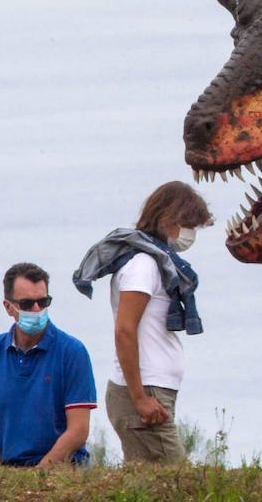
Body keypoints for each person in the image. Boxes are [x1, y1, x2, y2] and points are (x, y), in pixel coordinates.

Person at [74, 182, 210, 463]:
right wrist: (139, 398)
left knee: (150, 488)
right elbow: (125, 330)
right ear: (169, 219)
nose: (190, 235)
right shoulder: (144, 266)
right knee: (178, 484)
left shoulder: (154, 263)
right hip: (145, 391)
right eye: (188, 225)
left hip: (152, 389)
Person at [0, 263, 96, 467]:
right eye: (27, 304)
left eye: (43, 302)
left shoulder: (72, 352)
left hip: (63, 467)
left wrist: (40, 475)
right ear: (8, 307)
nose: (37, 309)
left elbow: (78, 430)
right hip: (7, 468)